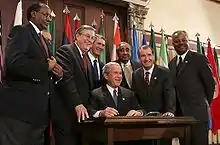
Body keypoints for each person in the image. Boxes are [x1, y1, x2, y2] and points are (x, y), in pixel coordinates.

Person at [0, 3, 63, 145]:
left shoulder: (42, 38)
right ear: (33, 14)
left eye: (50, 16)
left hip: (38, 113)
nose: (49, 19)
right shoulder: (21, 31)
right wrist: (45, 66)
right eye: (45, 15)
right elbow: (14, 63)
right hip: (19, 110)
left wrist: (57, 73)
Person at [169, 30, 215, 145]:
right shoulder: (172, 63)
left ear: (188, 41)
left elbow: (210, 84)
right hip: (180, 117)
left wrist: (202, 104)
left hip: (198, 115)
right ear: (173, 44)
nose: (181, 43)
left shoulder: (198, 58)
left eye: (184, 40)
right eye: (177, 41)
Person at [53, 25, 96, 145]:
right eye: (87, 36)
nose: (90, 40)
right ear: (77, 36)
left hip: (82, 116)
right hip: (67, 113)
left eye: (92, 38)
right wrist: (77, 103)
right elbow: (67, 79)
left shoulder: (87, 57)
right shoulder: (66, 50)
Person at [132, 45, 175, 116]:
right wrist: (139, 111)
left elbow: (169, 94)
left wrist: (170, 111)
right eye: (143, 56)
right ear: (139, 58)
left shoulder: (164, 72)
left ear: (153, 56)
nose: (146, 59)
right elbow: (135, 96)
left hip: (162, 116)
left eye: (149, 55)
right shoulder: (136, 74)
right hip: (142, 117)